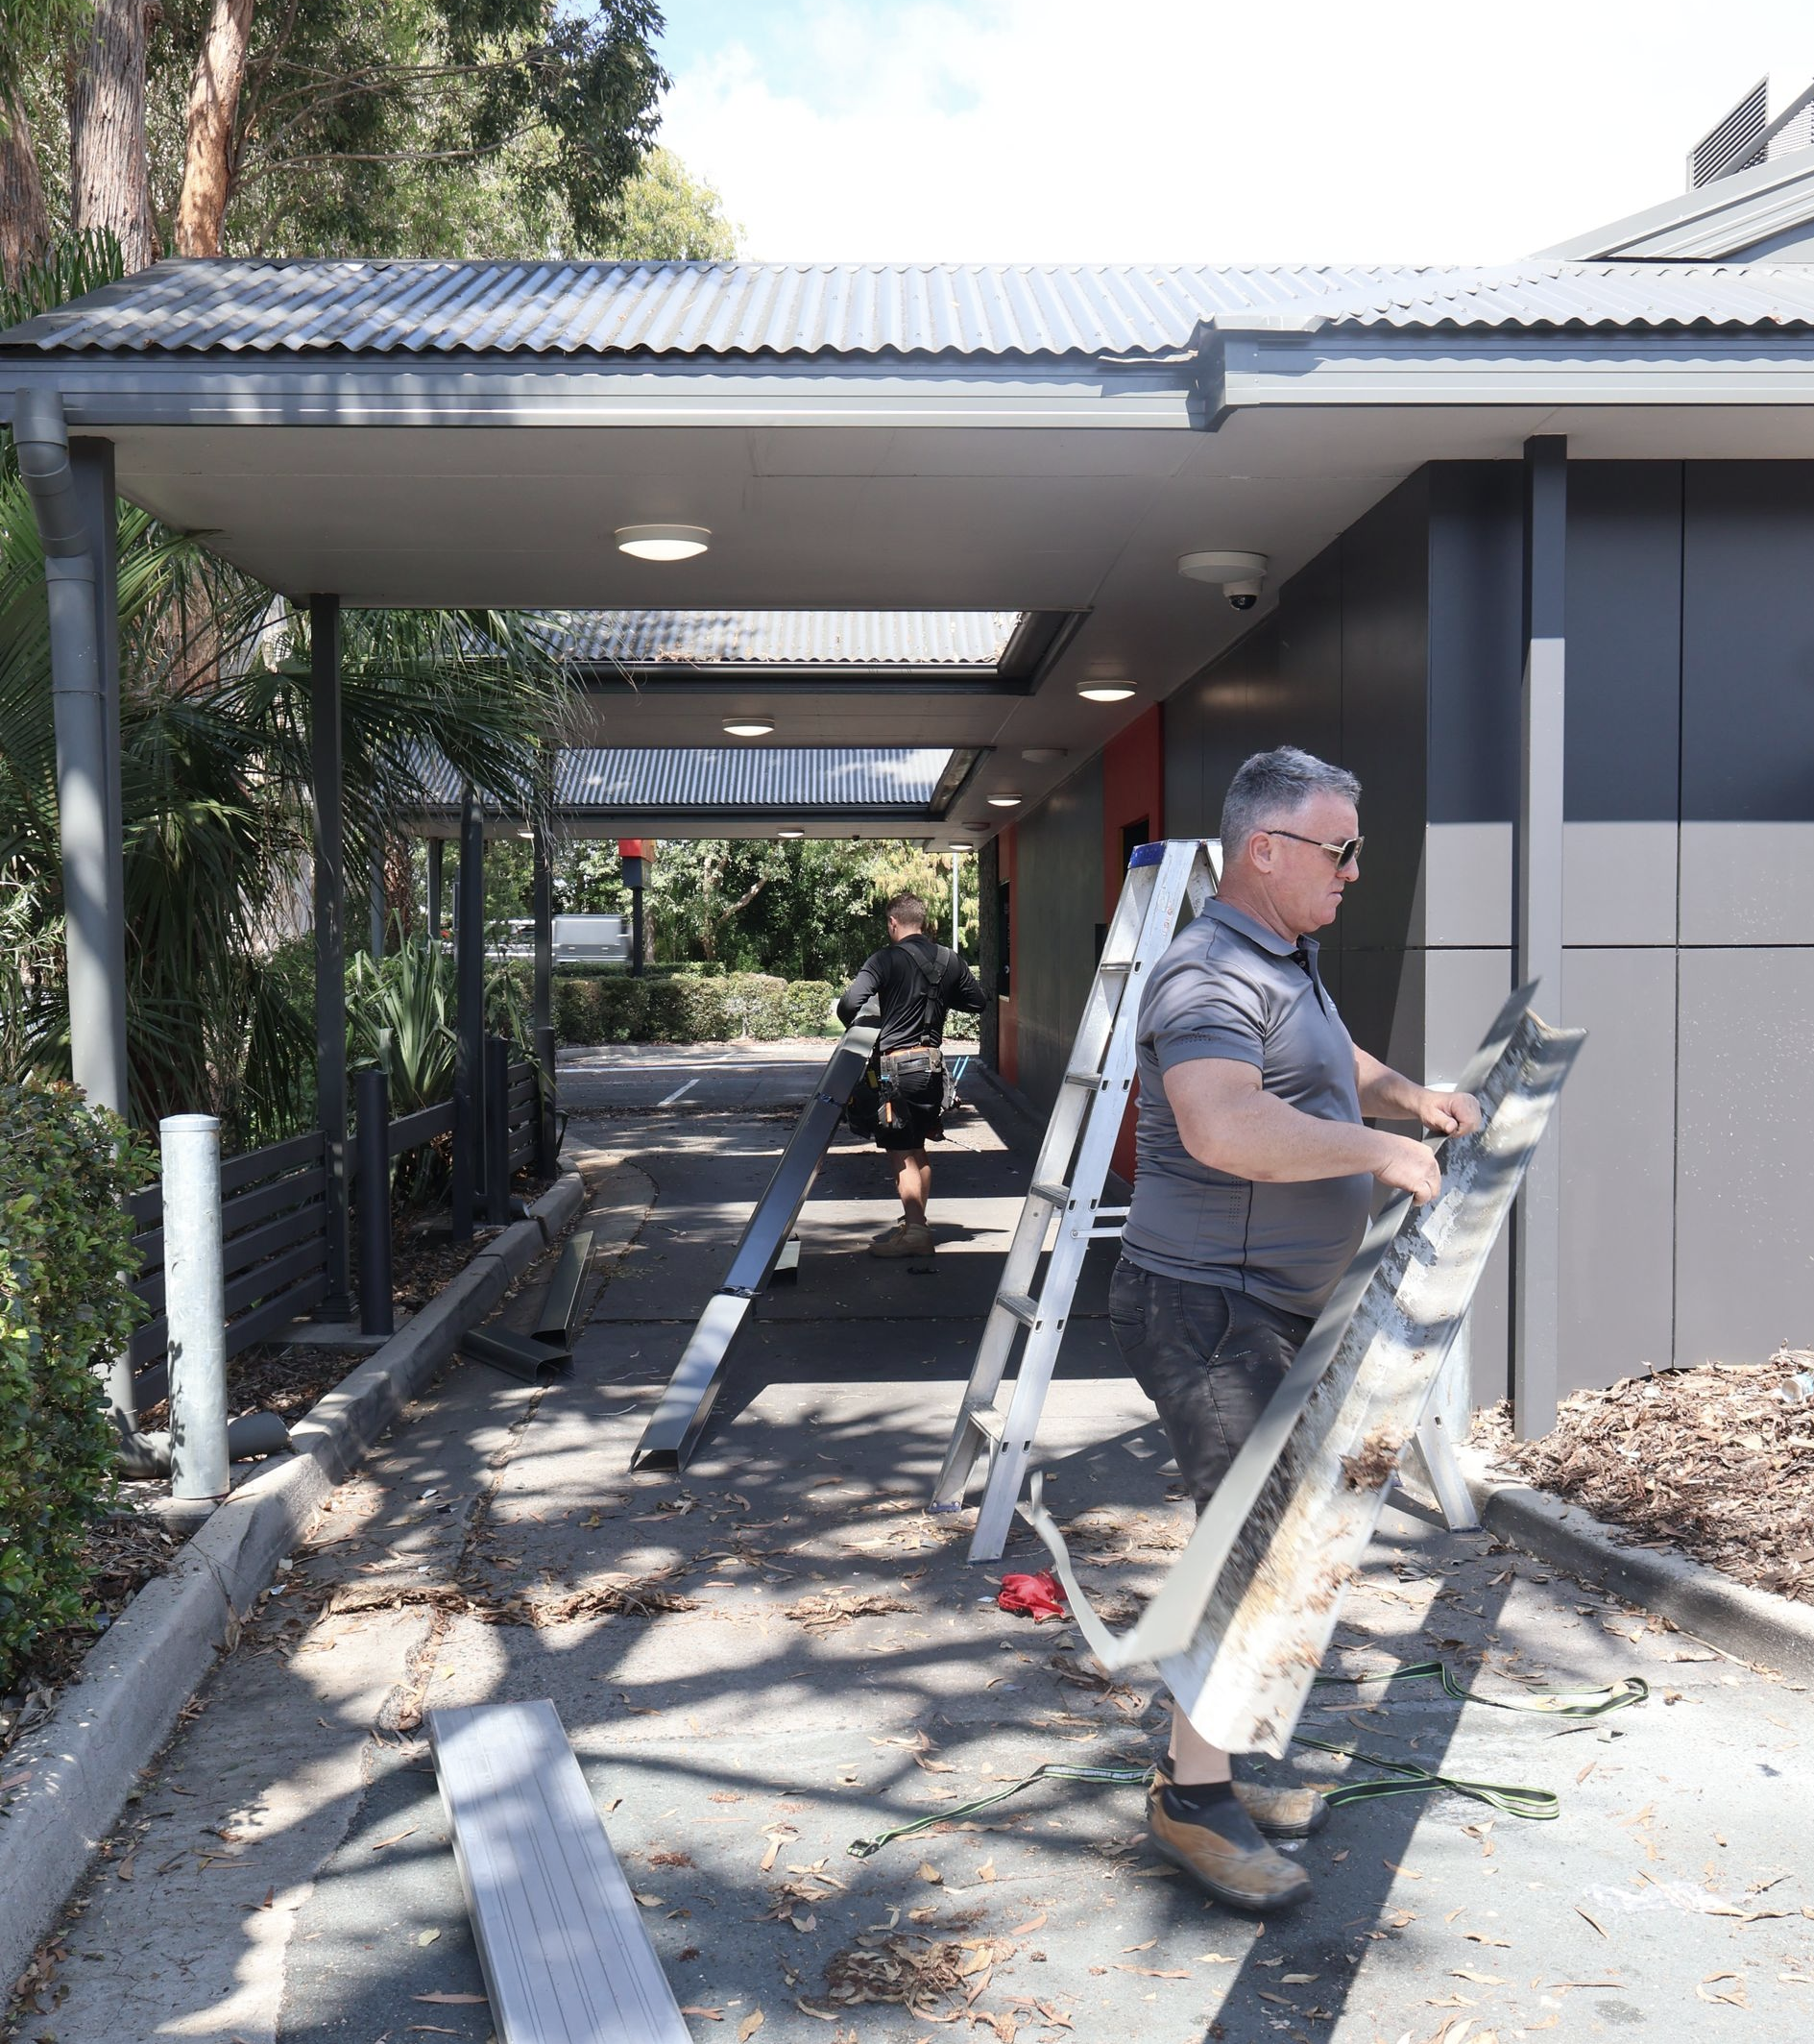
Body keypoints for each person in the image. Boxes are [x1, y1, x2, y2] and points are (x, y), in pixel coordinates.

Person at [1113, 746, 1482, 1912]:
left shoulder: (1281, 961)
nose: (1354, 870)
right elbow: (1222, 1125)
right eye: (1339, 849)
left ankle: (1204, 1762)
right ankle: (1193, 1802)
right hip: (1204, 1310)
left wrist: (1406, 1099)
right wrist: (1379, 1152)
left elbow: (1325, 1066)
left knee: (1263, 1538)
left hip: (1262, 1305)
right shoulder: (1201, 974)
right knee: (1252, 1548)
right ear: (1264, 851)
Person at [837, 890, 986, 1257]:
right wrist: (937, 996)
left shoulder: (884, 959)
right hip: (932, 1068)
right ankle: (915, 1226)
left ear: (893, 922)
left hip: (895, 1070)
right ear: (923, 922)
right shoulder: (950, 959)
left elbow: (849, 1005)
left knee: (900, 1152)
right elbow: (977, 1002)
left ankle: (917, 1231)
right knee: (918, 1146)